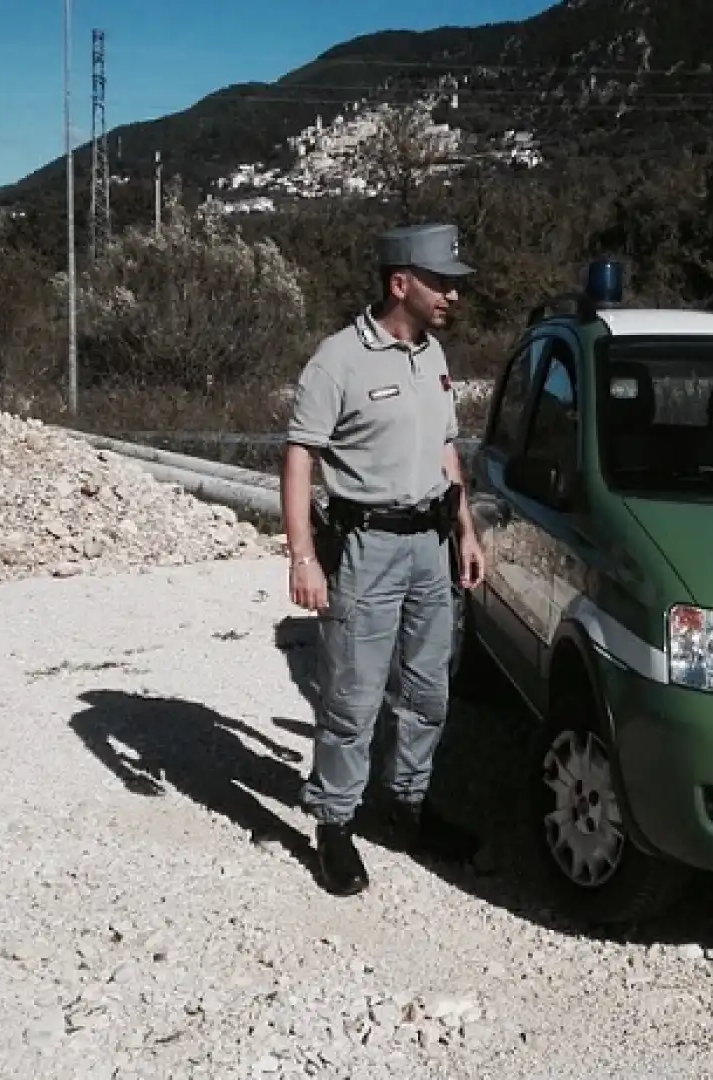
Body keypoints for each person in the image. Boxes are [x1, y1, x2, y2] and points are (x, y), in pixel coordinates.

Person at [280, 222, 488, 897]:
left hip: (430, 546)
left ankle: (406, 807)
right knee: (354, 698)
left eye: (455, 284)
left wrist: (466, 532)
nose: (452, 295)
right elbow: (300, 456)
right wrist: (303, 558)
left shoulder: (433, 355)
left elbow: (446, 451)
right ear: (400, 283)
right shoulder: (338, 360)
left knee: (428, 693)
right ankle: (335, 824)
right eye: (440, 282)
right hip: (365, 549)